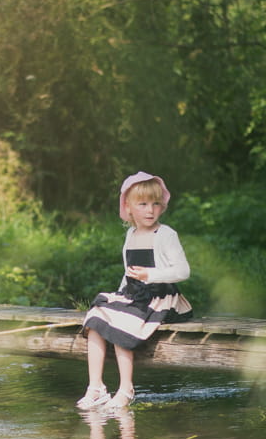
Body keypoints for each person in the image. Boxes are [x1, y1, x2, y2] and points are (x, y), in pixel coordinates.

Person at [77, 171, 193, 410]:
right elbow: (128, 273)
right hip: (137, 295)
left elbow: (183, 271)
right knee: (97, 316)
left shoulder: (166, 235)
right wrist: (122, 294)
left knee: (122, 320)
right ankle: (96, 387)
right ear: (128, 207)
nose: (150, 210)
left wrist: (150, 275)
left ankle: (126, 389)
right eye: (143, 204)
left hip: (161, 298)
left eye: (156, 204)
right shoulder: (130, 234)